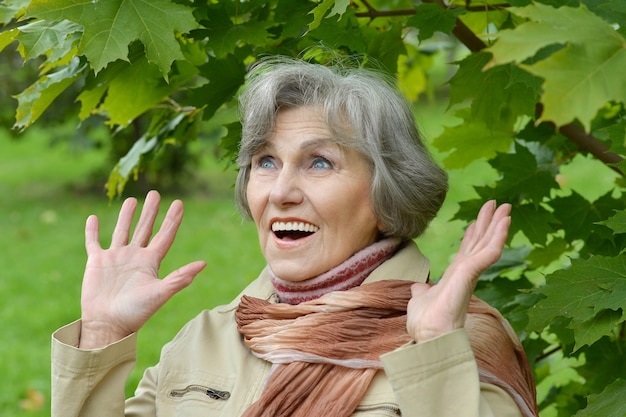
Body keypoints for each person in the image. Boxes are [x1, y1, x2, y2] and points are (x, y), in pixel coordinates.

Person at [51, 55, 538, 417]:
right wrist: (102, 334)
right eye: (266, 162)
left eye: (319, 162)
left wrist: (434, 347)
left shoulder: (455, 339)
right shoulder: (208, 337)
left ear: (387, 198)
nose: (281, 191)